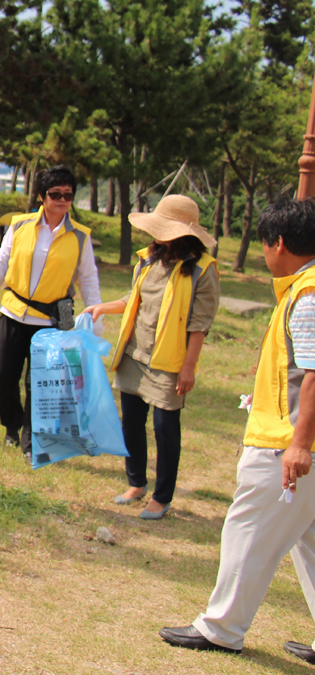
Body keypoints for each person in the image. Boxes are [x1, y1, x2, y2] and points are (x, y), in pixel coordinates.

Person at [158, 198, 315, 661]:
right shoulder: (303, 289)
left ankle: (221, 627)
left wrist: (299, 444)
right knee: (308, 541)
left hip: (284, 444)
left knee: (247, 530)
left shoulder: (307, 295)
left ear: (278, 243)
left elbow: (313, 375)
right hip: (295, 439)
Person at [82, 196, 220, 521]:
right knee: (130, 420)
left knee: (164, 427)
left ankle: (162, 496)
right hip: (135, 351)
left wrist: (189, 367)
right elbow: (135, 298)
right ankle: (136, 482)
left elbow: (200, 325)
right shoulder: (147, 259)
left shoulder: (202, 270)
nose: (157, 235)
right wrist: (104, 307)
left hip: (169, 360)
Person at [0, 166, 101, 464]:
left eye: (67, 195)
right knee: (5, 375)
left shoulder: (80, 237)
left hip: (54, 318)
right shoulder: (20, 225)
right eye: (55, 194)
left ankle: (31, 439)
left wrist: (96, 319)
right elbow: (1, 261)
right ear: (42, 196)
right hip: (14, 311)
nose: (61, 200)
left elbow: (89, 279)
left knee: (40, 382)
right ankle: (11, 426)